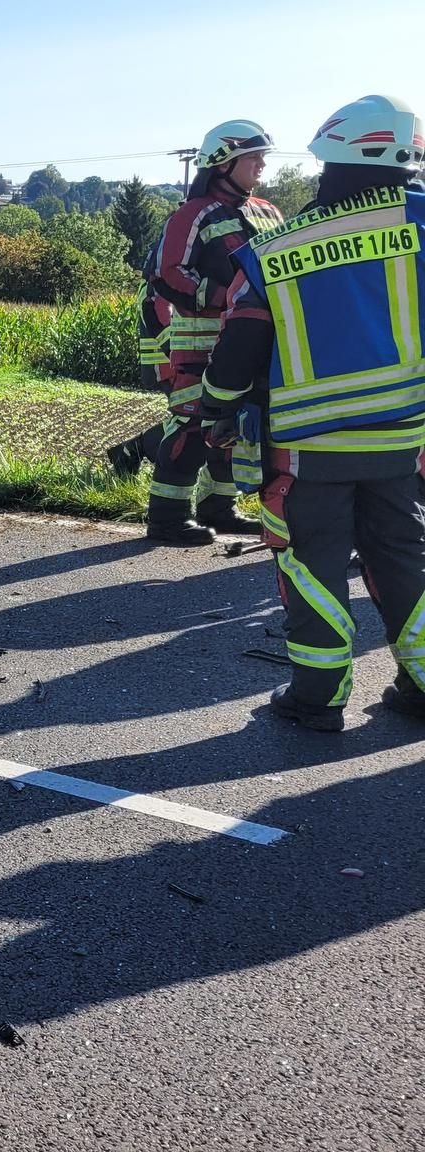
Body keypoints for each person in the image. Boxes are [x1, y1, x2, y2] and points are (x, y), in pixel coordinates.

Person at [198, 94, 425, 731]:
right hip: (400, 443)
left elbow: (237, 351)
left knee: (311, 565)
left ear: (327, 155)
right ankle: (423, 684)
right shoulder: (422, 224)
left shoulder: (274, 251)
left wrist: (210, 411)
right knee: (403, 560)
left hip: (306, 452)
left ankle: (318, 700)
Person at [126, 119, 287, 546]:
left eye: (262, 156)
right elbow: (166, 273)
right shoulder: (191, 214)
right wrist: (227, 297)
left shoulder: (268, 212)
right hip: (200, 342)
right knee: (192, 428)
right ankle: (166, 518)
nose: (261, 164)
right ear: (221, 163)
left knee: (235, 428)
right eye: (252, 157)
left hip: (254, 342)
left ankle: (219, 508)